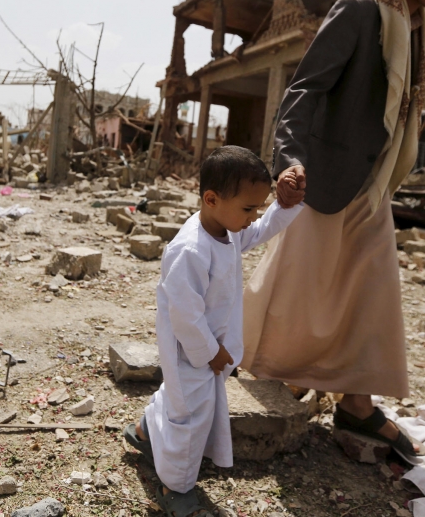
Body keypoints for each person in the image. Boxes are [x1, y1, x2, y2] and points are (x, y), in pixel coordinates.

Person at [242, 0, 425, 461]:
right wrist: (289, 162)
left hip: (371, 185)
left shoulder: (416, 26)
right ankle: (286, 376)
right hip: (324, 178)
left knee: (367, 292)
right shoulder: (362, 10)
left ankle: (354, 400)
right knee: (301, 287)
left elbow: (387, 112)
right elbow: (305, 90)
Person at [124, 146, 304, 517]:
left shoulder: (226, 228)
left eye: (257, 208)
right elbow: (185, 315)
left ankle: (144, 431)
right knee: (190, 417)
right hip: (192, 350)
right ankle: (175, 486)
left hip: (206, 350)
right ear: (211, 198)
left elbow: (259, 231)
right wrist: (211, 352)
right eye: (248, 209)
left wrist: (284, 206)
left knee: (180, 399)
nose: (253, 218)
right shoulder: (191, 249)